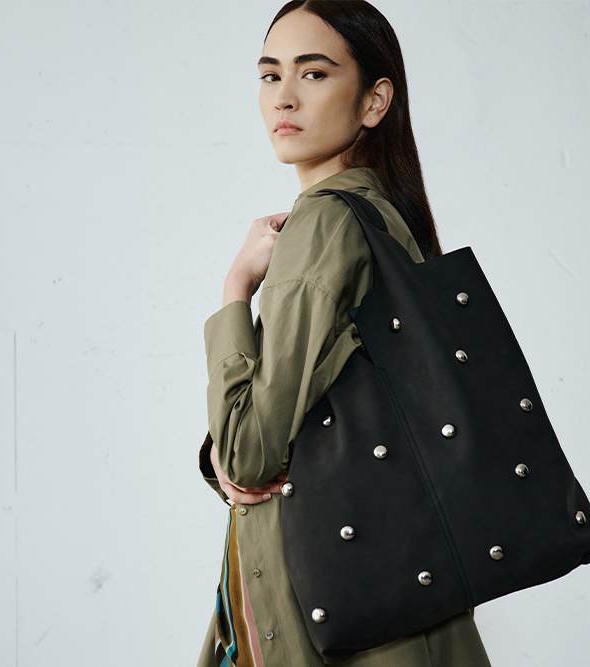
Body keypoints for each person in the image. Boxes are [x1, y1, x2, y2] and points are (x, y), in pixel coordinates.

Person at [196, 2, 492, 665]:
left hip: (332, 620)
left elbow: (250, 455)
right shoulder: (383, 215)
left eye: (314, 73)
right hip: (399, 612)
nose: (284, 97)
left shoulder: (324, 223)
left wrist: (235, 288)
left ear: (374, 101)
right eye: (270, 75)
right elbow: (312, 415)